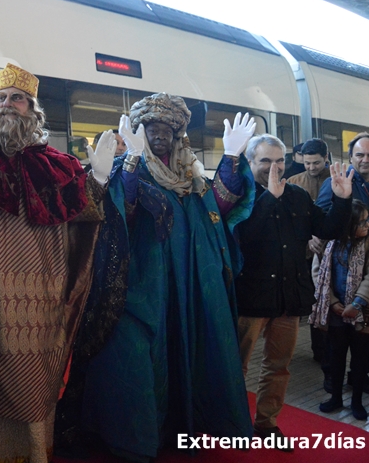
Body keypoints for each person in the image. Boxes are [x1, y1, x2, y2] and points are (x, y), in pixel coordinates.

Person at [0, 63, 115, 463]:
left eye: (18, 98)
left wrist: (97, 180)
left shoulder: (58, 165)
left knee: (32, 381)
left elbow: (83, 216)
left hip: (42, 297)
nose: (8, 105)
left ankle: (31, 453)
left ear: (34, 110)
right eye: (0, 98)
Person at [76, 93, 255, 462]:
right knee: (140, 358)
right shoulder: (131, 169)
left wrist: (233, 159)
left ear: (178, 136)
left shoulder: (190, 175)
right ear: (139, 132)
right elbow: (121, 209)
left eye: (166, 130)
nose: (159, 136)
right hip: (142, 285)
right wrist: (131, 162)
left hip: (188, 282)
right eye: (151, 129)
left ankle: (180, 427)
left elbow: (217, 210)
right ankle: (137, 437)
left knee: (186, 348)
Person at [236, 134, 352, 450]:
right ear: (250, 162)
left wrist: (341, 201)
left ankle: (266, 424)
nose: (274, 167)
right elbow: (241, 237)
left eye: (279, 161)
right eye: (265, 161)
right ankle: (232, 424)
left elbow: (328, 230)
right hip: (250, 299)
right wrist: (268, 199)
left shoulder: (298, 195)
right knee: (237, 367)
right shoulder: (238, 196)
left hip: (289, 297)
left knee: (278, 366)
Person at [316, 131, 369, 396]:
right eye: (360, 154)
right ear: (351, 157)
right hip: (341, 262)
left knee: (367, 330)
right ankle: (333, 376)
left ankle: (360, 376)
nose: (366, 159)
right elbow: (321, 218)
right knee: (336, 332)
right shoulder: (337, 181)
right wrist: (314, 239)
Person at [310, 200, 369, 420]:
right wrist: (332, 302)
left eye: (368, 220)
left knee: (360, 358)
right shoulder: (327, 240)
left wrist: (356, 303)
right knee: (336, 356)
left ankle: (357, 401)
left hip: (365, 309)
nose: (367, 225)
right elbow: (318, 272)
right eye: (361, 222)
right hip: (335, 309)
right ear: (348, 224)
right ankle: (336, 397)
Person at [286, 139, 331, 364]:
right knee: (314, 300)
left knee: (329, 299)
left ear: (326, 158)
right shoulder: (293, 182)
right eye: (307, 163)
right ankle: (319, 351)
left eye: (316, 163)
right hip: (303, 252)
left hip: (330, 251)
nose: (311, 167)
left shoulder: (335, 179)